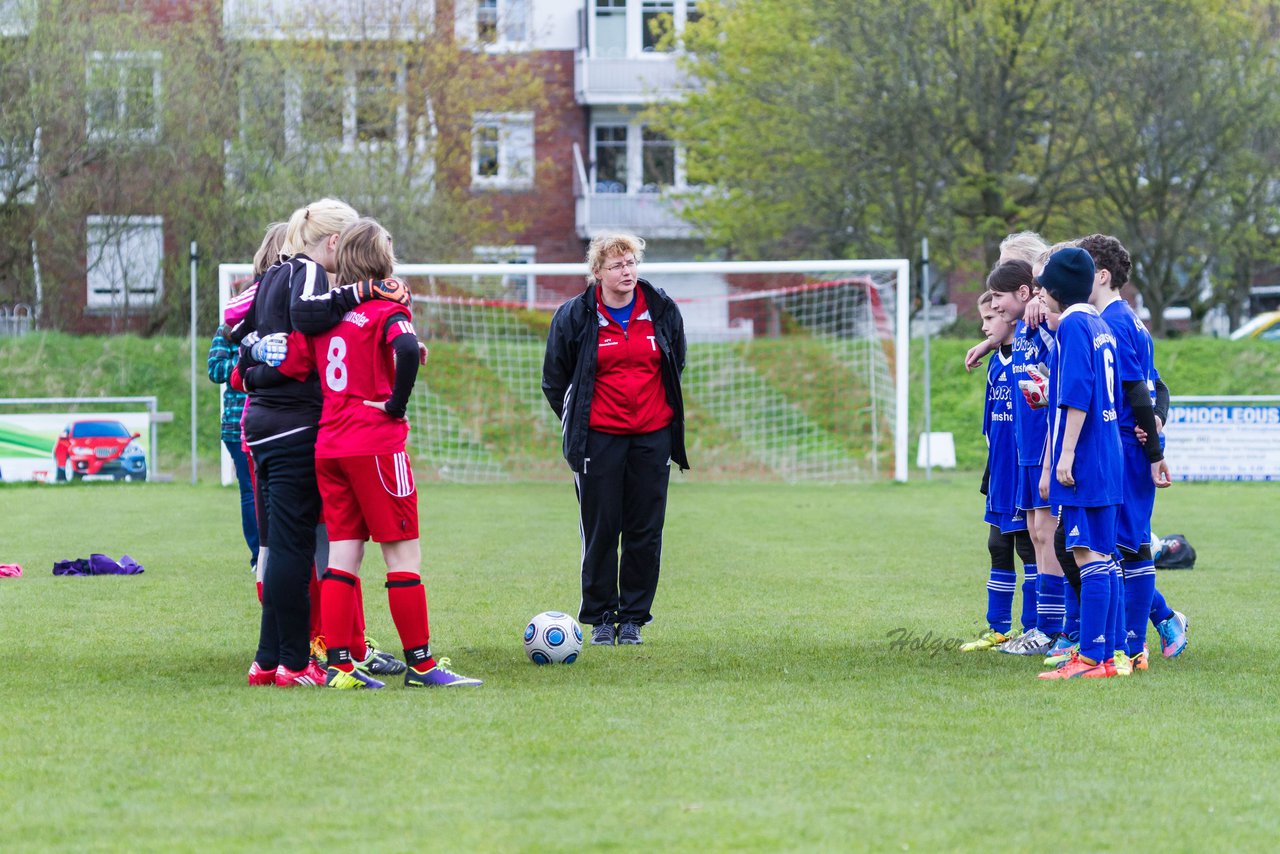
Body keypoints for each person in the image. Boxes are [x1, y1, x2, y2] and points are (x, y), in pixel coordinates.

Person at [272, 218, 481, 689]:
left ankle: (341, 666)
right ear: (381, 259)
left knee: (342, 557)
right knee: (403, 555)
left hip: (330, 447)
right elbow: (405, 347)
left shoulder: (322, 316)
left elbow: (290, 365)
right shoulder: (387, 305)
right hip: (376, 444)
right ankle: (423, 666)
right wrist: (395, 404)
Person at [236, 198, 411, 687]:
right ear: (334, 241)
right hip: (298, 427)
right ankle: (297, 663)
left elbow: (244, 340)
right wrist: (365, 292)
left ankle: (267, 660)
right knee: (298, 550)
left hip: (263, 427)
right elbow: (306, 321)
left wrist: (254, 371)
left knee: (277, 548)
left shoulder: (271, 273)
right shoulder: (309, 274)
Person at [541, 233, 689, 646]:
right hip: (598, 441)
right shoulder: (575, 315)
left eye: (631, 263)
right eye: (617, 266)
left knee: (645, 530)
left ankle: (633, 620)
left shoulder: (661, 310)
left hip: (652, 437)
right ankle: (603, 617)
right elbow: (555, 381)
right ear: (598, 272)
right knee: (602, 529)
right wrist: (582, 424)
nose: (626, 272)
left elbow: (677, 364)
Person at [1079, 233, 1182, 670]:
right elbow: (1159, 387)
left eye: (1081, 271)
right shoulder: (1131, 320)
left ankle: (1130, 645)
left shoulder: (1115, 323)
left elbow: (1141, 388)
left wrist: (1154, 446)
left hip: (1121, 445)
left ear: (1100, 276)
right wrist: (1155, 421)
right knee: (1128, 544)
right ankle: (1132, 644)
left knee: (1124, 546)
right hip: (1128, 443)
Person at [1035, 247, 1124, 680]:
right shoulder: (1098, 323)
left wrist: (1064, 455)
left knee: (1088, 558)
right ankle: (1107, 656)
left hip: (1085, 460)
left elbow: (1076, 393)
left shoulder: (1071, 325)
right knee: (1104, 559)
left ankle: (1088, 658)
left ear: (1052, 290)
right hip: (1109, 457)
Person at [984, 259, 1066, 657]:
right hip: (1026, 452)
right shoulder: (1020, 332)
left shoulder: (1045, 325)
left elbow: (1065, 373)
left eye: (998, 297)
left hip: (1048, 449)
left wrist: (1041, 304)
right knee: (1036, 535)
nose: (994, 306)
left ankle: (1053, 628)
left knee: (1050, 536)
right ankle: (1039, 627)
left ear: (1024, 292)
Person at [960, 289, 1038, 652]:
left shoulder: (1028, 356)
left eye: (989, 318)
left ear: (1010, 317)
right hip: (1000, 469)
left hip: (1025, 469)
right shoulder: (994, 365)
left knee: (1028, 546)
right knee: (997, 545)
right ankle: (998, 628)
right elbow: (991, 425)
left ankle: (1036, 628)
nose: (983, 325)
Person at [208, 223, 286, 576]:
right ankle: (260, 557)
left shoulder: (287, 305)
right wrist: (249, 363)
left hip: (275, 415)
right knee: (251, 492)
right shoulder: (239, 310)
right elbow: (215, 367)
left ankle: (276, 556)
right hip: (239, 420)